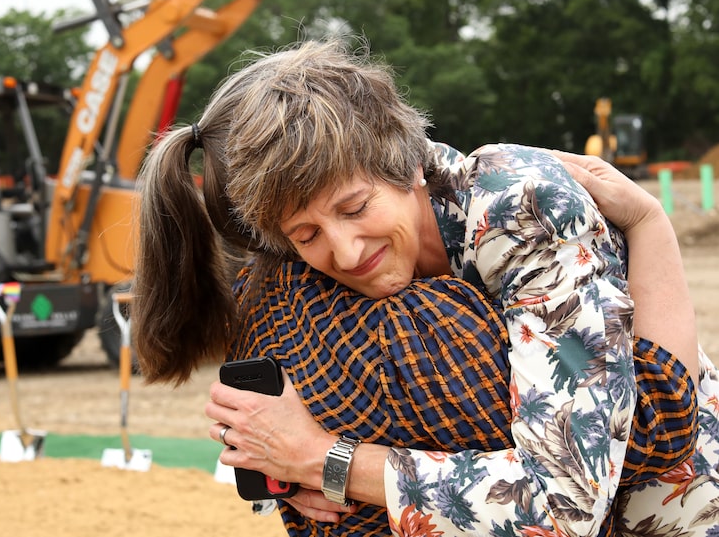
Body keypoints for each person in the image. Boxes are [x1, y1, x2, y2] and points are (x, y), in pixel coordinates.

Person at [131, 39, 716, 536]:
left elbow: (563, 504)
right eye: (307, 234)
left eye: (355, 208)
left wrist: (326, 462)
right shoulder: (295, 280)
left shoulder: (521, 211)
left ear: (411, 163)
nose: (346, 252)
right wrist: (278, 463)